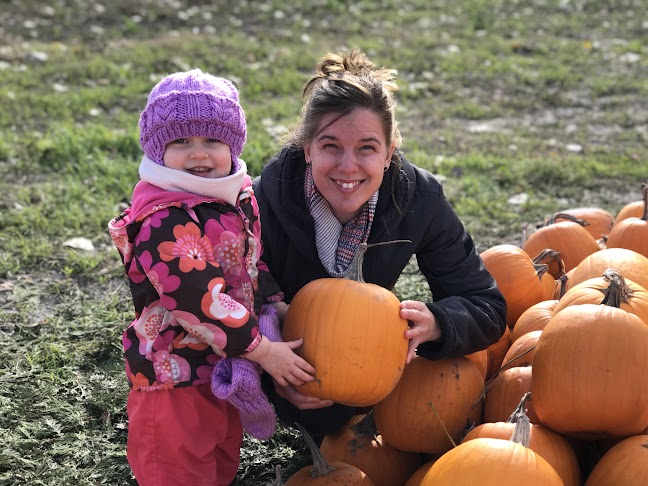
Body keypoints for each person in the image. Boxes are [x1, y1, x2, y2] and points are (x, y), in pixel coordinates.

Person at [253, 49, 507, 441]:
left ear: (389, 154)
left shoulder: (420, 200)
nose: (348, 166)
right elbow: (219, 304)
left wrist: (438, 323)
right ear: (308, 150)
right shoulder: (258, 203)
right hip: (280, 363)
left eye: (367, 148)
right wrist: (268, 367)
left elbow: (486, 306)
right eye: (330, 146)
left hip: (364, 372)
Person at [108, 69, 316, 486]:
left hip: (220, 368)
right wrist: (261, 350)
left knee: (219, 463)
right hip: (174, 378)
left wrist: (274, 301)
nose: (198, 154)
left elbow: (250, 261)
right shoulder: (163, 218)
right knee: (180, 471)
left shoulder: (233, 198)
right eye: (181, 142)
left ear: (233, 145)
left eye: (212, 141)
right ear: (156, 149)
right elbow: (198, 300)